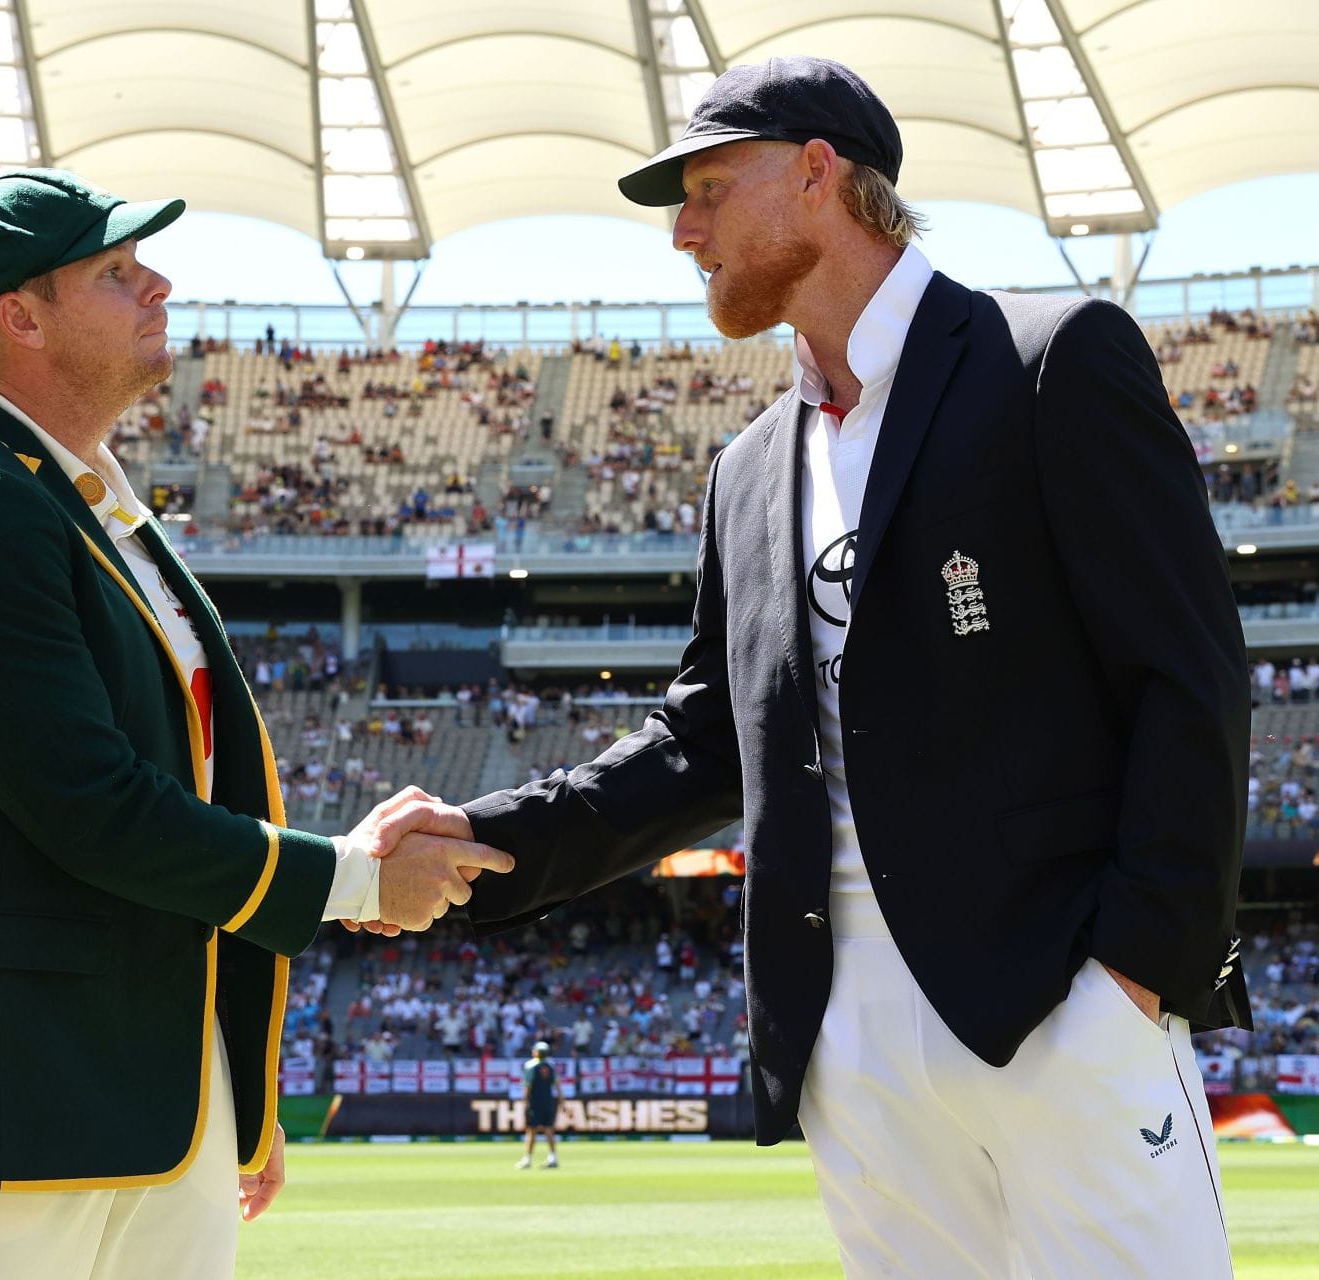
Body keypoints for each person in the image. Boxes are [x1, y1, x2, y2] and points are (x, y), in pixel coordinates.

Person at [367, 58, 1251, 1279]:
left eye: (710, 189)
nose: (683, 232)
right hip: (848, 1041)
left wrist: (1133, 978)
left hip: (1061, 1008)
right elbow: (703, 745)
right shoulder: (745, 469)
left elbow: (1190, 674)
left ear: (820, 175)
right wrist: (481, 833)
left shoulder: (1050, 361)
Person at [0, 168, 510, 1280]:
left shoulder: (90, 502)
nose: (157, 283)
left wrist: (228, 1090)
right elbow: (95, 807)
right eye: (116, 273)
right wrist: (355, 880)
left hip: (156, 1099)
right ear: (21, 317)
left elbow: (197, 793)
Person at [517, 1040, 562, 1169]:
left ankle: (528, 1159)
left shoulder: (530, 1066)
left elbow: (527, 1086)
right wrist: (562, 1102)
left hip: (535, 1102)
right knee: (549, 1129)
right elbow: (558, 1086)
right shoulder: (551, 1066)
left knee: (531, 1130)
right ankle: (553, 1157)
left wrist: (524, 1101)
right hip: (548, 1101)